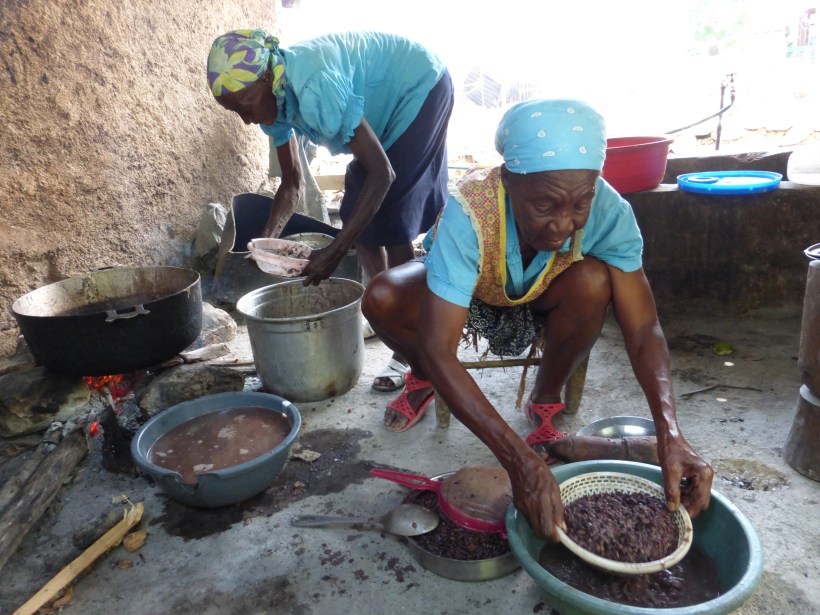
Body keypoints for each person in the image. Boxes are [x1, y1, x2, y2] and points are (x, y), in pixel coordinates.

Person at [361, 98, 714, 540]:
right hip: (464, 295)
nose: (563, 225)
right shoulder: (471, 211)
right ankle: (423, 378)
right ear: (509, 180)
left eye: (579, 204)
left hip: (545, 292)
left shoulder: (609, 210)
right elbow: (440, 347)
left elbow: (643, 327)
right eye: (545, 206)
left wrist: (670, 432)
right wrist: (519, 463)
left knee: (593, 281)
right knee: (383, 295)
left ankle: (545, 397)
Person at [207, 29, 454, 392]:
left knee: (393, 217)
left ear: (265, 77)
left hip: (418, 88)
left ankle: (410, 343)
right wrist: (266, 242)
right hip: (383, 112)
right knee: (360, 213)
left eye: (245, 105)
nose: (246, 119)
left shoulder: (313, 87)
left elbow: (383, 174)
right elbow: (292, 183)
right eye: (235, 112)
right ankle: (386, 307)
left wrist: (334, 252)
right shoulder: (272, 101)